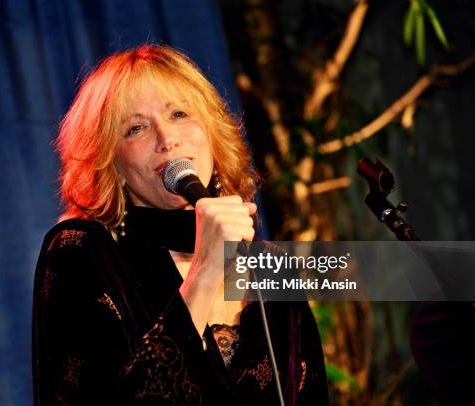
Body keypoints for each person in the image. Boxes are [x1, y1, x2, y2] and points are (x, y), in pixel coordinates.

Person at [32, 44, 328, 405]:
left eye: (179, 113)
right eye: (136, 128)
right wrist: (204, 273)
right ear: (112, 165)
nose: (167, 138)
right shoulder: (83, 253)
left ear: (212, 135)